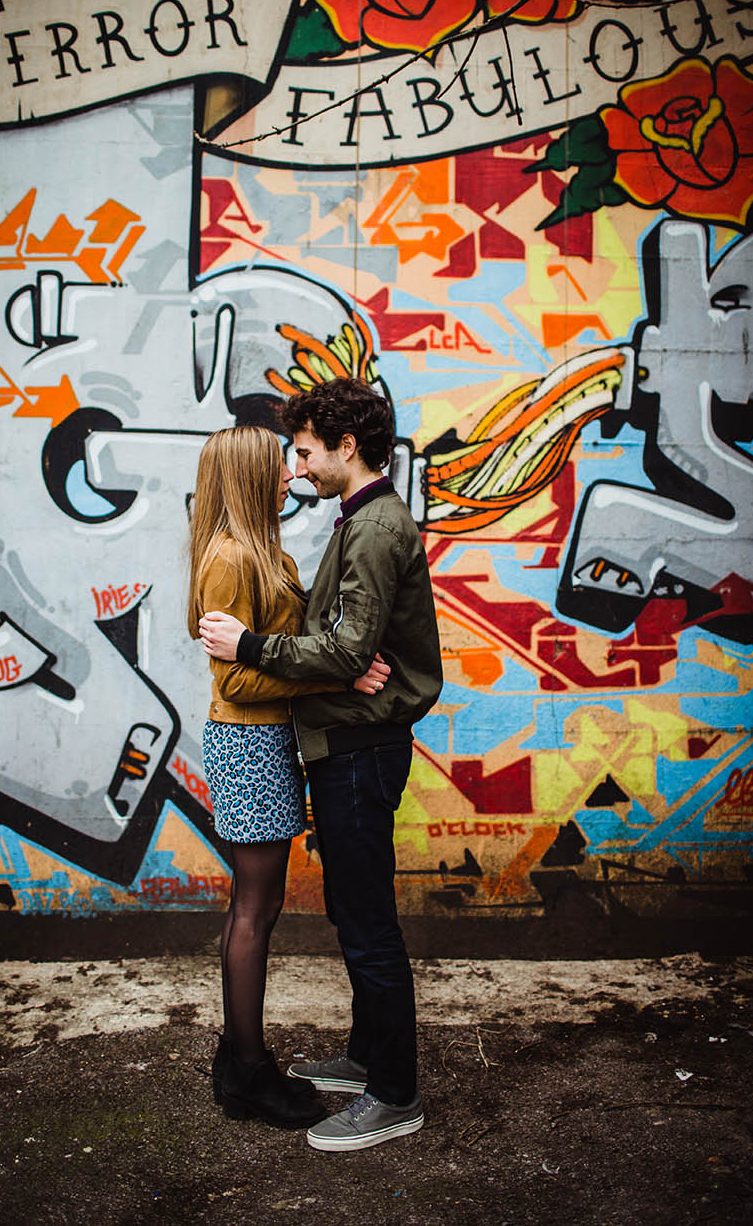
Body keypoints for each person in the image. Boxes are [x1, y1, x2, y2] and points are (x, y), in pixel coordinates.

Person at [199, 378, 443, 1152]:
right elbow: (339, 649)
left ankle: (394, 1094)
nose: (296, 467)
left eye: (303, 452)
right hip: (341, 745)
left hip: (360, 749)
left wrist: (268, 650)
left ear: (347, 446)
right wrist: (338, 665)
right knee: (351, 911)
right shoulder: (353, 521)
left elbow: (343, 645)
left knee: (367, 923)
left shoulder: (371, 528)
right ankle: (369, 1059)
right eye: (286, 456)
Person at [187, 425, 388, 1130]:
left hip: (266, 744)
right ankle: (247, 1071)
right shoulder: (232, 557)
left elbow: (287, 649)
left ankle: (238, 1058)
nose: (292, 473)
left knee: (258, 905)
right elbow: (236, 677)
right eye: (278, 466)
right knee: (254, 908)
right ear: (246, 476)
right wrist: (335, 679)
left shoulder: (260, 549)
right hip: (247, 744)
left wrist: (332, 664)